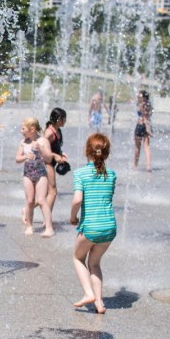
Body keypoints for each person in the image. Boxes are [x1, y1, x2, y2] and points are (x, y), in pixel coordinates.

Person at [70, 133, 117, 314]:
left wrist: (72, 216)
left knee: (77, 257)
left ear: (86, 151)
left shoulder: (80, 174)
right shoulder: (111, 174)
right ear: (107, 153)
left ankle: (88, 293)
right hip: (109, 228)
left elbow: (77, 200)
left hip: (91, 227)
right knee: (95, 263)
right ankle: (99, 304)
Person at [15, 117, 54, 237]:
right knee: (30, 201)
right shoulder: (23, 142)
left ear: (32, 129)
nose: (21, 131)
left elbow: (49, 158)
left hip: (41, 173)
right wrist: (26, 157)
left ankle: (49, 228)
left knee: (41, 200)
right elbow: (17, 159)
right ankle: (29, 226)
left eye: (23, 129)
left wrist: (40, 148)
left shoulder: (43, 141)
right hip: (28, 173)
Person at [43, 107, 69, 212]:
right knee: (53, 191)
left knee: (45, 193)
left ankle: (27, 209)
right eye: (64, 118)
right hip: (46, 163)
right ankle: (47, 218)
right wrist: (55, 156)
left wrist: (61, 154)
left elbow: (54, 147)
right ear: (58, 119)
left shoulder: (58, 131)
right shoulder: (49, 133)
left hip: (51, 162)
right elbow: (41, 149)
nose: (65, 121)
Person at [134, 90, 153, 171]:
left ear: (144, 98)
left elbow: (144, 117)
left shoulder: (142, 105)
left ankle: (135, 164)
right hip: (147, 124)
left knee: (137, 147)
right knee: (147, 146)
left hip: (141, 125)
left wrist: (147, 128)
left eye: (139, 96)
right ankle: (148, 165)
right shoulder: (149, 104)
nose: (138, 97)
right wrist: (148, 127)